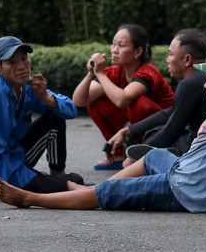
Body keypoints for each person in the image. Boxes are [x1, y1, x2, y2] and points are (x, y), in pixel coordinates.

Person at [0, 51, 206, 219]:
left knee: (106, 198)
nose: (204, 85)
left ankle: (32, 198)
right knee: (154, 155)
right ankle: (84, 191)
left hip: (186, 189)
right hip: (187, 173)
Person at [0, 36, 84, 204]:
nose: (22, 66)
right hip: (0, 161)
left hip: (16, 153)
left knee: (54, 113)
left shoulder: (27, 86)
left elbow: (70, 111)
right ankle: (5, 182)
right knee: (74, 181)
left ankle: (57, 172)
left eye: (24, 58)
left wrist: (46, 97)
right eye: (12, 62)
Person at [72, 24, 174, 169]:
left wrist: (100, 74)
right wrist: (91, 74)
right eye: (113, 44)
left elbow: (122, 100)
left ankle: (142, 154)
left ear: (138, 52)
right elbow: (79, 100)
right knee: (96, 104)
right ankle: (118, 153)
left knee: (138, 103)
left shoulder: (147, 73)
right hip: (136, 126)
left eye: (121, 45)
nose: (114, 50)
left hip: (164, 128)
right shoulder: (115, 72)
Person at [105, 28, 206, 162]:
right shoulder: (205, 76)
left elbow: (170, 132)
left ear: (187, 59)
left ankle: (170, 161)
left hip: (199, 153)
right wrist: (129, 130)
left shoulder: (189, 84)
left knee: (154, 134)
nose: (167, 60)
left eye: (171, 54)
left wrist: (137, 156)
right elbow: (172, 112)